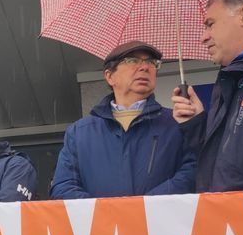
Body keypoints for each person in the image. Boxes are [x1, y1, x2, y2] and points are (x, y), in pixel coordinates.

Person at [51, 40, 195, 199]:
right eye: (132, 61)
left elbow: (192, 173)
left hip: (159, 221)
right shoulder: (80, 133)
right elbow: (63, 187)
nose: (145, 67)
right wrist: (110, 213)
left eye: (152, 62)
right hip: (102, 223)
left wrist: (142, 208)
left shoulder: (176, 123)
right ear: (109, 76)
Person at [172, 0, 243, 192]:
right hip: (228, 221)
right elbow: (224, 168)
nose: (203, 37)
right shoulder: (232, 79)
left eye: (210, 24)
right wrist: (197, 124)